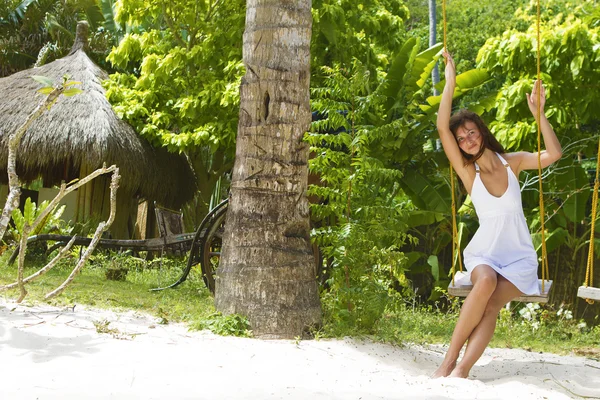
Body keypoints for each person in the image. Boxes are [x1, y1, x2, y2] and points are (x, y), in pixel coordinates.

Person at [432, 52, 562, 379]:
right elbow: (441, 127)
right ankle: (447, 362)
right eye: (461, 138)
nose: (467, 140)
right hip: (485, 253)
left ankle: (462, 370)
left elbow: (554, 154)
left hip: (519, 257)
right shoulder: (467, 172)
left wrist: (540, 116)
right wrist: (450, 82)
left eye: (471, 133)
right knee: (486, 281)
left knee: (491, 306)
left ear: (482, 132)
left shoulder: (512, 161)